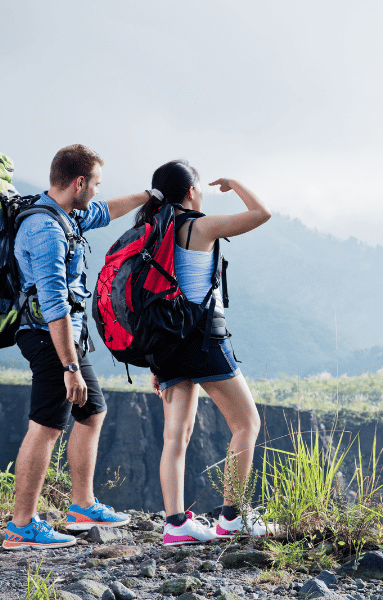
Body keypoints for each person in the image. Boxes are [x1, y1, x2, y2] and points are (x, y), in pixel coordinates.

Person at [3, 144, 152, 550]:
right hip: (48, 336)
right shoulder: (46, 230)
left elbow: (104, 212)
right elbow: (54, 303)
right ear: (79, 182)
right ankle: (22, 527)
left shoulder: (65, 213)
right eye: (96, 184)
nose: (99, 192)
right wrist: (69, 366)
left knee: (92, 411)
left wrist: (149, 197)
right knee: (47, 426)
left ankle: (82, 506)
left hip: (63, 337)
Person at [136, 160, 271, 546]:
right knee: (246, 423)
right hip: (204, 342)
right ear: (191, 191)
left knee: (175, 437)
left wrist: (155, 358)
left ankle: (176, 525)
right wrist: (236, 182)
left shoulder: (152, 231)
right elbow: (262, 214)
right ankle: (232, 517)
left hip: (167, 344)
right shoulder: (199, 225)